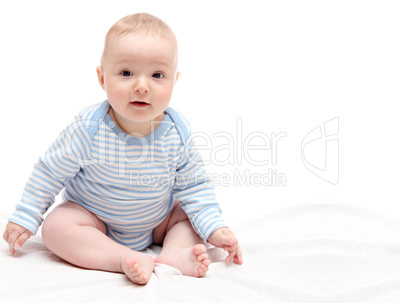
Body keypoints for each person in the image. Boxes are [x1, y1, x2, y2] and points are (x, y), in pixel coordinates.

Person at [2, 13, 243, 285]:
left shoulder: (177, 132)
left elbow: (195, 186)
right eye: (126, 73)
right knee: (57, 227)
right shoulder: (88, 129)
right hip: (94, 221)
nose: (141, 86)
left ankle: (174, 255)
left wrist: (216, 228)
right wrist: (26, 216)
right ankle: (120, 257)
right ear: (103, 78)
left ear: (174, 81)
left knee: (189, 216)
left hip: (157, 223)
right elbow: (49, 173)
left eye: (157, 75)